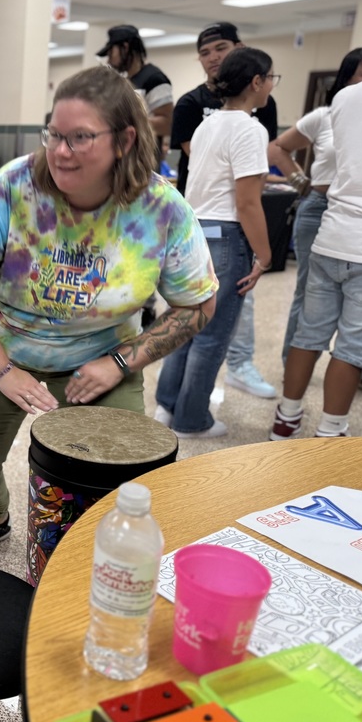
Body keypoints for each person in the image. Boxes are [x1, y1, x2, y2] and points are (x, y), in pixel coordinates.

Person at [0, 66, 217, 558]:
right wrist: (3, 372)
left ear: (125, 140)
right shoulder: (14, 187)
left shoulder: (162, 209)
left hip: (103, 352)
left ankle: (81, 544)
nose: (61, 152)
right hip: (1, 340)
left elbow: (198, 305)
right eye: (54, 135)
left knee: (115, 471)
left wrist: (120, 364)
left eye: (80, 138)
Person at [271, 2, 362, 440]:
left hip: (333, 235)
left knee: (308, 334)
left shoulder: (346, 97)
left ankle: (286, 419)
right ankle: (330, 433)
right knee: (352, 348)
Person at [156, 48, 276, 439]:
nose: (272, 86)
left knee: (186, 323)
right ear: (256, 82)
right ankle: (192, 420)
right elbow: (246, 202)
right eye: (271, 78)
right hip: (226, 236)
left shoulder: (208, 125)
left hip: (193, 231)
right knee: (212, 334)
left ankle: (168, 405)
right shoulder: (250, 129)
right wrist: (265, 254)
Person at [96, 24, 173, 156]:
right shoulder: (125, 80)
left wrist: (124, 124)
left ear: (125, 48)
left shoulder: (154, 79)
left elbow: (167, 124)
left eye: (111, 53)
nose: (109, 60)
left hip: (144, 157)